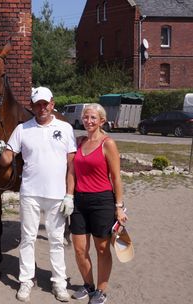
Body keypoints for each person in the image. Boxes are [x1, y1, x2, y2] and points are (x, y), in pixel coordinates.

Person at [0, 87, 76, 302]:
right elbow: (7, 159)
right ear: (32, 106)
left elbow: (71, 166)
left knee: (57, 240)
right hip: (30, 193)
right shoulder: (22, 129)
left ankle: (59, 283)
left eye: (45, 104)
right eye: (37, 104)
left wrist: (70, 194)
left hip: (57, 195)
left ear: (52, 103)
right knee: (27, 239)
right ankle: (26, 281)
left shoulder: (65, 128)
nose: (42, 108)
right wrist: (1, 151)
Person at [69, 103, 128, 304]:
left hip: (102, 201)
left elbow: (116, 177)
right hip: (79, 201)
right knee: (79, 249)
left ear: (102, 121)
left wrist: (118, 207)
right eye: (86, 117)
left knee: (102, 248)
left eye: (93, 117)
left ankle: (101, 290)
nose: (88, 121)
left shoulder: (107, 143)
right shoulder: (79, 142)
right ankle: (88, 285)